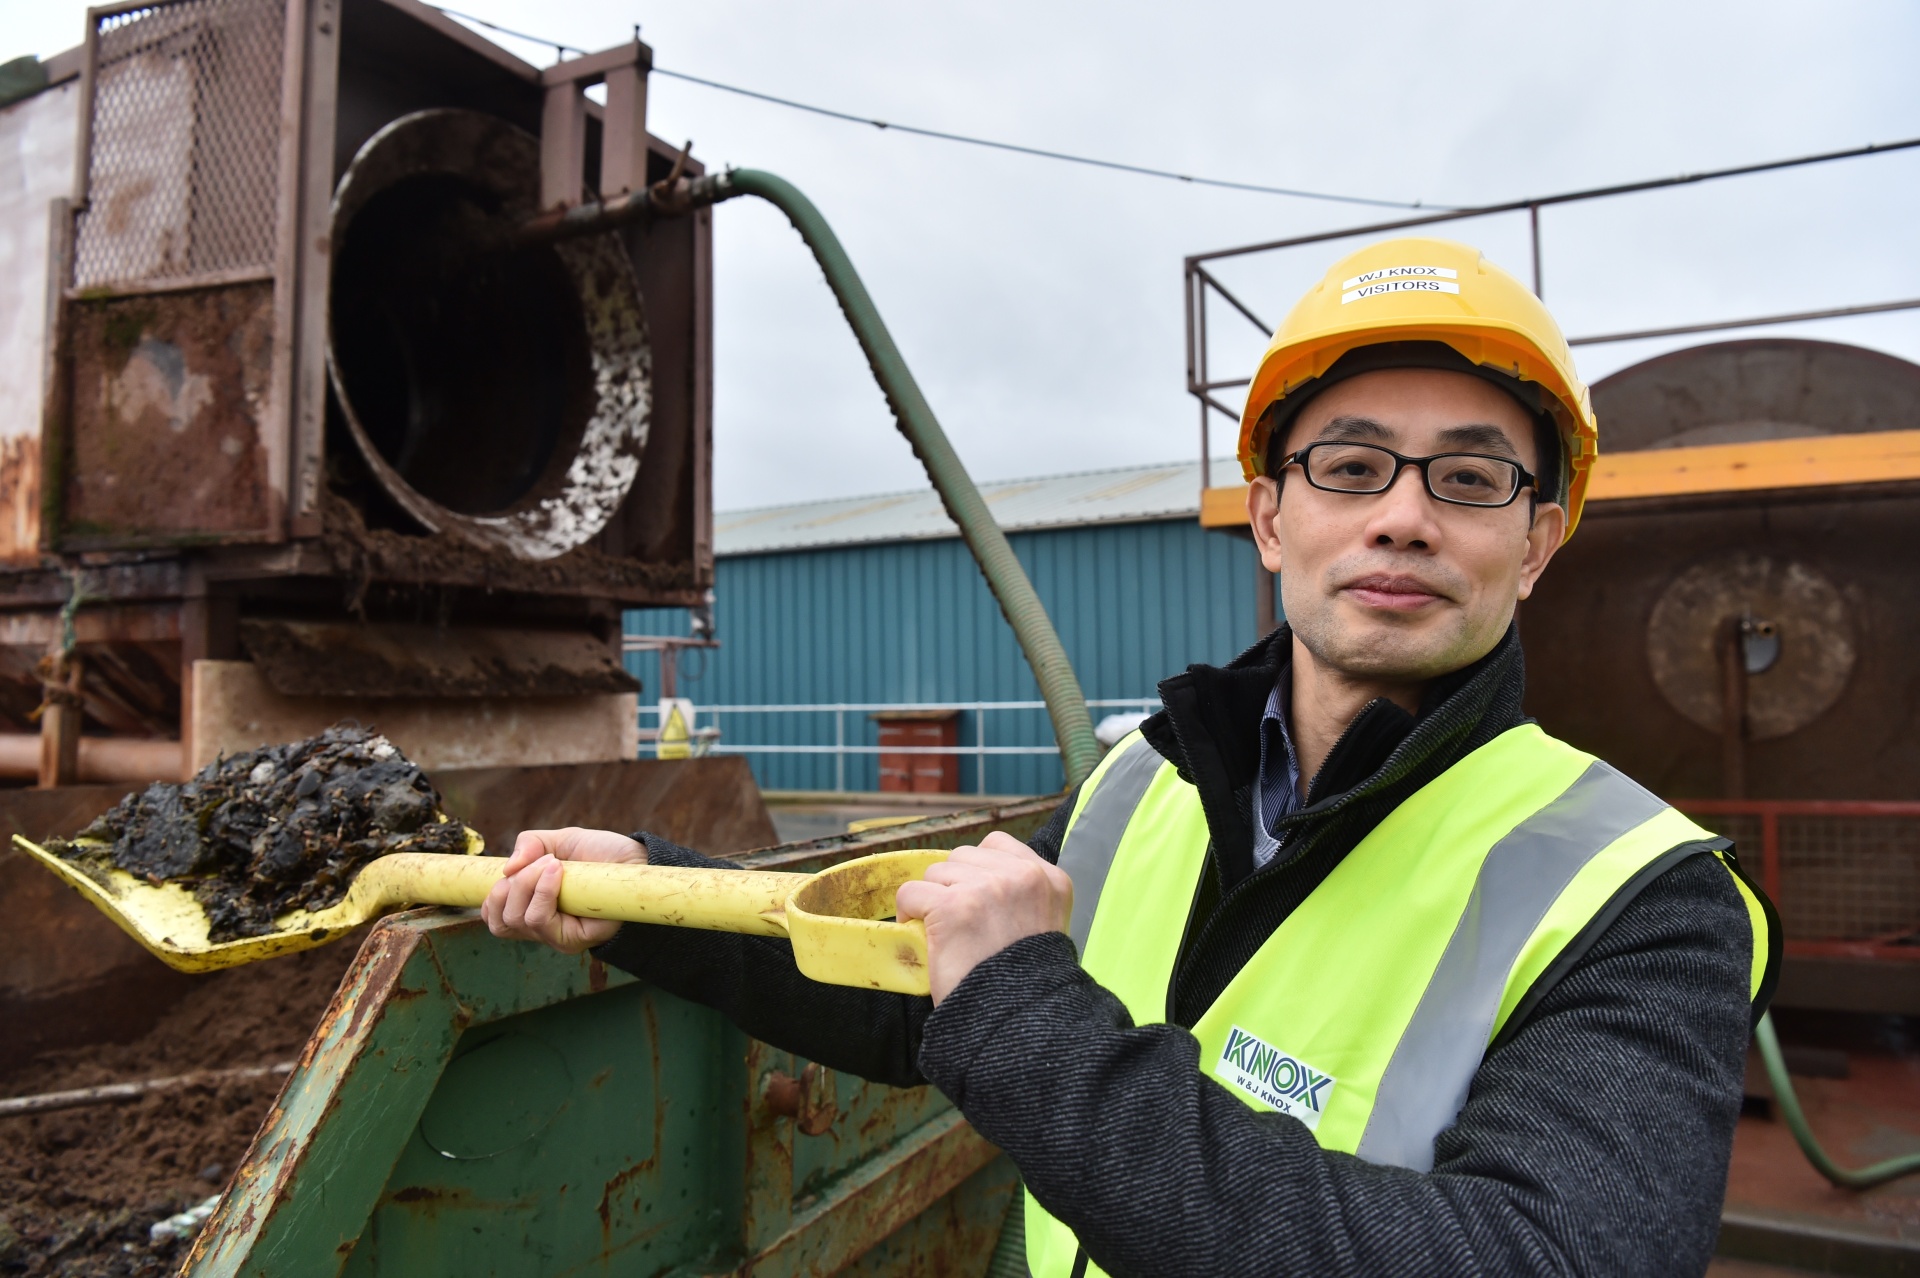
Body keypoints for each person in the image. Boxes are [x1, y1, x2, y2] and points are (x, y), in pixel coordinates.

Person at [484, 237, 1779, 1278]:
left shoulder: (1641, 900)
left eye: (1470, 480)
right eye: (1351, 464)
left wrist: (1036, 1025)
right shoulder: (1144, 785)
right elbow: (920, 979)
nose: (1402, 516)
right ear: (1272, 515)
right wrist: (641, 889)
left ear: (1539, 543)